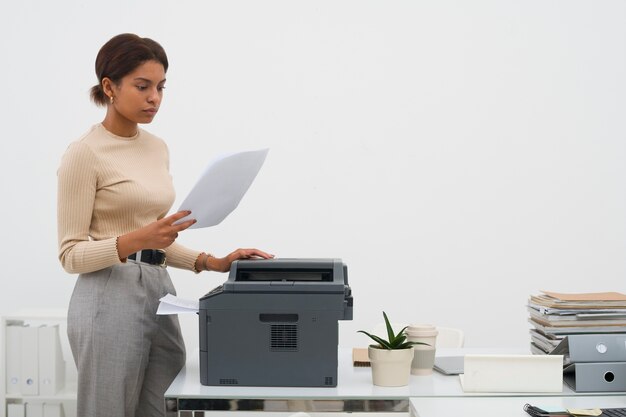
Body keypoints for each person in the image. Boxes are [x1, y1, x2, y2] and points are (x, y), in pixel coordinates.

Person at [57, 33, 273, 417]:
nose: (154, 97)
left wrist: (213, 262)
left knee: (169, 406)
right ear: (109, 87)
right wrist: (136, 238)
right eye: (142, 86)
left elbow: (158, 237)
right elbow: (70, 254)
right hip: (107, 292)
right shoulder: (84, 153)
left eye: (160, 87)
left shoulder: (157, 148)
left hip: (160, 290)